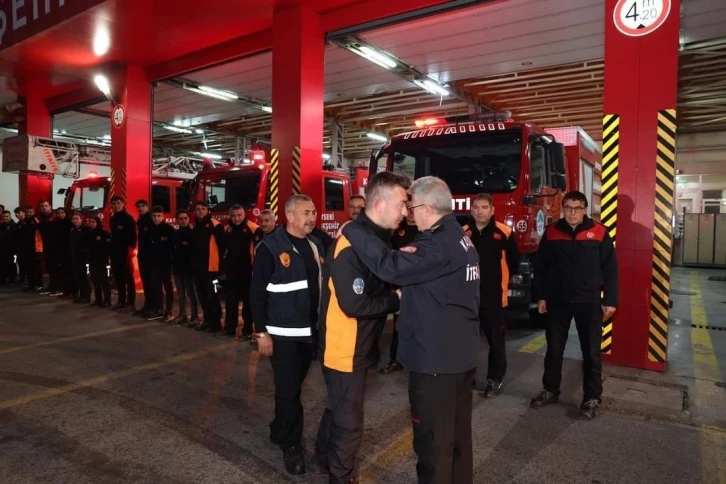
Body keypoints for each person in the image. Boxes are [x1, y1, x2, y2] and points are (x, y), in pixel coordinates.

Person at [340, 176, 480, 484]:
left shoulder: (437, 245)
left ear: (427, 208)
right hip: (458, 357)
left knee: (433, 447)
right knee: (457, 444)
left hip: (436, 363)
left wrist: (351, 228)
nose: (407, 213)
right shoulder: (460, 238)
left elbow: (390, 265)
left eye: (410, 206)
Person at [314, 172, 406, 483]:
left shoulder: (374, 239)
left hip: (357, 344)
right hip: (344, 346)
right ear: (379, 204)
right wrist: (395, 300)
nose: (405, 212)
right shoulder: (352, 246)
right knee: (349, 421)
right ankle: (340, 477)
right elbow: (354, 305)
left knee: (338, 407)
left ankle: (323, 458)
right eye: (402, 204)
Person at [250, 194, 323, 476]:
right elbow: (257, 293)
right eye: (307, 212)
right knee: (289, 389)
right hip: (282, 335)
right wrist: (261, 332)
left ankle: (279, 428)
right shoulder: (270, 247)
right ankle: (291, 446)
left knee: (292, 386)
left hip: (310, 331)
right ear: (290, 216)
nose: (312, 217)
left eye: (314, 212)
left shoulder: (315, 243)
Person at [530, 190, 618, 419]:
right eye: (568, 208)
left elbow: (610, 270)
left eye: (576, 208)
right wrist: (541, 297)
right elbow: (541, 268)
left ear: (584, 210)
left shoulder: (599, 232)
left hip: (588, 302)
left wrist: (610, 300)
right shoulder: (551, 233)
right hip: (557, 301)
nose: (571, 212)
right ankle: (550, 390)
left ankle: (592, 397)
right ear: (562, 209)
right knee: (554, 350)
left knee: (591, 352)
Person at [464, 193, 519, 397]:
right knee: (465, 340)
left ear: (492, 210)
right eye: (476, 207)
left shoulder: (504, 232)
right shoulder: (463, 233)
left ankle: (494, 380)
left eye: (484, 207)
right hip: (467, 298)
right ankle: (466, 377)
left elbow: (513, 262)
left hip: (494, 298)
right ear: (471, 210)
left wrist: (501, 283)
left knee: (495, 341)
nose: (480, 211)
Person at [379, 210, 418, 375]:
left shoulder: (424, 231)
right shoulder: (396, 230)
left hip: (418, 285)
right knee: (398, 325)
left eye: (414, 208)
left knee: (419, 326)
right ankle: (395, 360)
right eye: (408, 208)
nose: (410, 212)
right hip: (399, 285)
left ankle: (417, 361)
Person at [222, 204, 262, 339]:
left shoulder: (254, 229)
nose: (236, 218)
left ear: (244, 214)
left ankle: (247, 330)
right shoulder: (227, 229)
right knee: (230, 303)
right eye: (233, 216)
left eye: (239, 215)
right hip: (231, 273)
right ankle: (229, 329)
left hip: (247, 273)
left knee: (248, 305)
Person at [191, 201, 225, 332]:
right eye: (197, 209)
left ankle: (216, 324)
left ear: (207, 210)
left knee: (213, 296)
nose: (200, 212)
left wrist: (218, 266)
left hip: (212, 269)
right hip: (198, 269)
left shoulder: (216, 225)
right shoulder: (196, 226)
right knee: (202, 296)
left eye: (202, 209)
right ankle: (207, 320)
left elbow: (222, 247)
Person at [146, 205, 175, 322]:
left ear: (163, 216)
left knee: (168, 288)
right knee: (157, 287)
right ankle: (159, 309)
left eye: (158, 216)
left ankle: (169, 312)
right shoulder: (149, 229)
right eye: (154, 216)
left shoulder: (169, 229)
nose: (156, 218)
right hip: (153, 263)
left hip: (166, 263)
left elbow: (172, 247)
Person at [109, 196, 137, 311]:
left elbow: (133, 237)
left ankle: (131, 303)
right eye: (114, 204)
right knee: (118, 277)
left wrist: (130, 249)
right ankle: (121, 301)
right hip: (115, 253)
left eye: (118, 203)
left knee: (128, 278)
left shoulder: (128, 218)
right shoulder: (112, 218)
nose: (116, 205)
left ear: (123, 204)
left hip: (125, 252)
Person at [172, 210, 199, 326]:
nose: (183, 220)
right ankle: (182, 315)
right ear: (177, 220)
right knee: (180, 294)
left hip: (189, 270)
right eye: (180, 218)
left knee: (191, 294)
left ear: (188, 219)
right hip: (178, 269)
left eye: (185, 218)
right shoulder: (176, 234)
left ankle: (195, 316)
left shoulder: (193, 234)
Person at [134, 199, 154, 317]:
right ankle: (147, 305)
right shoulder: (140, 220)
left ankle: (153, 306)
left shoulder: (150, 219)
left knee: (151, 282)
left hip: (150, 255)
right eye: (139, 206)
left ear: (147, 206)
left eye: (143, 206)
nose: (141, 208)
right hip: (142, 254)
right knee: (145, 282)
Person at [37, 200, 61, 296]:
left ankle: (57, 288)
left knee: (56, 268)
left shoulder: (55, 218)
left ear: (50, 206)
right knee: (49, 267)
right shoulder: (40, 218)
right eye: (42, 206)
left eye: (46, 205)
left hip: (56, 247)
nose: (44, 207)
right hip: (46, 246)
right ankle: (51, 286)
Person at [87, 216, 112, 307]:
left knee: (104, 281)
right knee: (95, 281)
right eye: (90, 222)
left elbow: (109, 246)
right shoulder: (89, 233)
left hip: (103, 261)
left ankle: (107, 300)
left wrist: (106, 256)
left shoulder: (104, 232)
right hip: (93, 261)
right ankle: (98, 300)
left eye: (93, 222)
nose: (91, 224)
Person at [20, 205, 43, 292]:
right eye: (27, 212)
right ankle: (31, 283)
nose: (29, 214)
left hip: (36, 247)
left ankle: (39, 284)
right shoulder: (23, 222)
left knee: (37, 267)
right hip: (25, 248)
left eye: (31, 212)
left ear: (34, 212)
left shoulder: (37, 221)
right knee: (28, 267)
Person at [69, 212, 91, 304]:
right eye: (73, 219)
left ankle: (86, 296)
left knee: (84, 277)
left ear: (81, 219)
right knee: (77, 276)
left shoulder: (86, 230)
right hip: (75, 256)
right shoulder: (72, 230)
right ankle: (81, 295)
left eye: (77, 218)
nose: (75, 220)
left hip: (84, 257)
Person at [54, 208, 75, 299]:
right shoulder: (56, 224)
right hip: (60, 251)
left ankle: (71, 292)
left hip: (69, 251)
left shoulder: (70, 223)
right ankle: (65, 291)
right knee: (63, 273)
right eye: (58, 213)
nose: (60, 214)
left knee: (70, 273)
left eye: (62, 212)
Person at [0, 210, 17, 285]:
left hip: (13, 250)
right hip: (3, 250)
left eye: (6, 216)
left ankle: (12, 280)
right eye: (3, 217)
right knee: (3, 264)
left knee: (13, 264)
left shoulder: (15, 226)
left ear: (10, 216)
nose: (4, 218)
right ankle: (3, 279)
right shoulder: (1, 226)